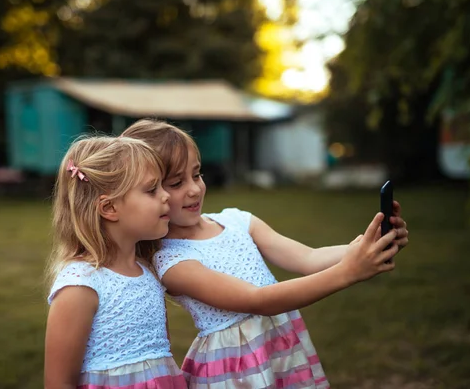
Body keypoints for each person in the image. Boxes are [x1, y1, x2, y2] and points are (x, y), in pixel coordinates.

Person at [122, 119, 410, 388]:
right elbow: (257, 300)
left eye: (197, 174)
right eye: (176, 183)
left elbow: (307, 258)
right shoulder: (172, 262)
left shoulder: (237, 221)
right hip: (235, 369)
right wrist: (348, 272)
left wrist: (366, 246)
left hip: (280, 348)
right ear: (151, 192)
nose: (195, 189)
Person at [44, 135, 187, 389]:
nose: (166, 196)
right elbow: (58, 383)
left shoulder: (149, 271)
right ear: (109, 208)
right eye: (152, 189)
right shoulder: (81, 286)